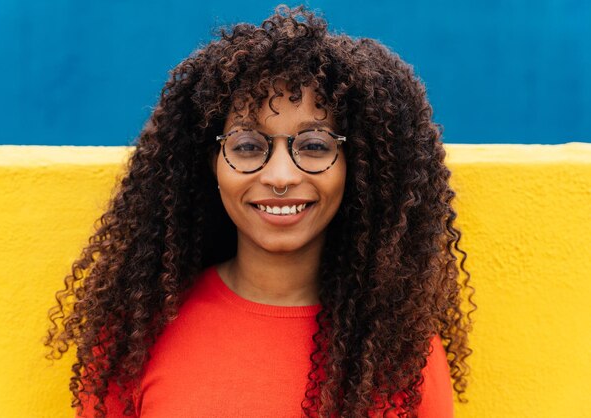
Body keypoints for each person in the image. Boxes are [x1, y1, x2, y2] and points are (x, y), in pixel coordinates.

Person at [45, 5, 475, 417]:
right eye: (248, 146)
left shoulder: (402, 353)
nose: (281, 175)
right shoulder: (136, 334)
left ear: (358, 167)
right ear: (211, 162)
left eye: (314, 146)